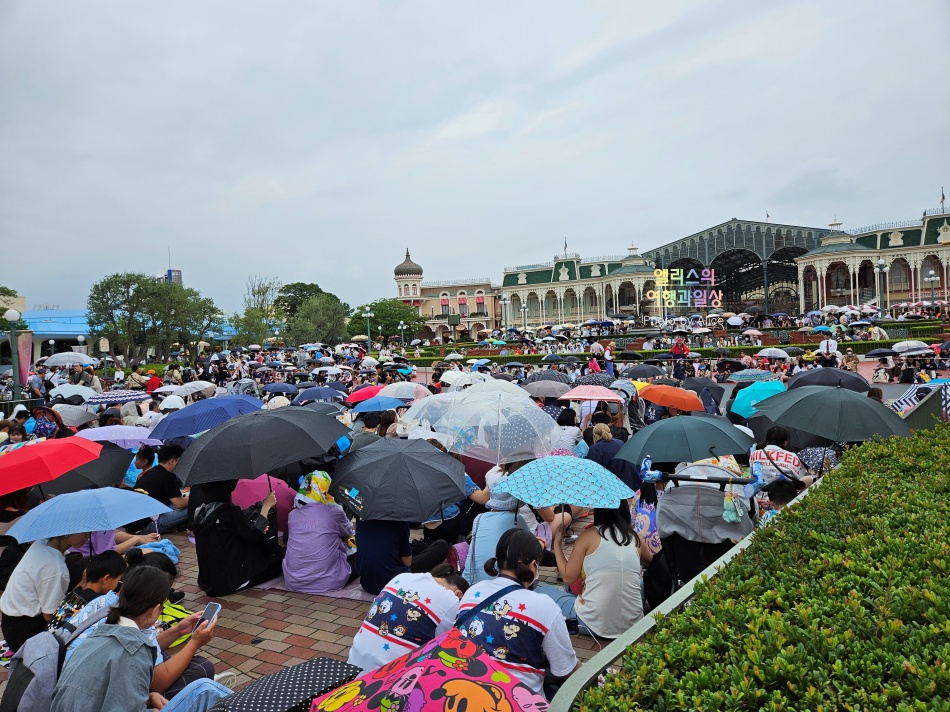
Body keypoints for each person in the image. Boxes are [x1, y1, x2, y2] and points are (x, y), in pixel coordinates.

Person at [50, 566, 230, 712]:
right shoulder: (136, 649)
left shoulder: (100, 628)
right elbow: (154, 683)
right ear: (153, 610)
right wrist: (195, 642)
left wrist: (148, 700)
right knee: (205, 689)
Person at [456, 528, 578, 697]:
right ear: (533, 564)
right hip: (516, 701)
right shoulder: (545, 606)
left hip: (465, 690)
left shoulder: (472, 591)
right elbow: (564, 670)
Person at [537, 502, 648, 639]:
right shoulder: (635, 538)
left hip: (593, 623)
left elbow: (567, 577)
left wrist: (557, 544)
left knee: (539, 591)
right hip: (633, 623)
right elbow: (652, 561)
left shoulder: (587, 536)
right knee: (640, 582)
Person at [347, 563, 468, 673]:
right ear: (459, 594)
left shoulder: (402, 577)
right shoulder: (451, 601)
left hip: (353, 667)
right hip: (388, 681)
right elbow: (445, 644)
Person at [0, 531, 90, 652]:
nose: (87, 537)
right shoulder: (55, 567)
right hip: (25, 633)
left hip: (10, 620)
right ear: (67, 533)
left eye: (90, 533)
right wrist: (82, 586)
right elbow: (50, 616)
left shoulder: (42, 543)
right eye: (83, 533)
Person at [192, 479, 284, 597]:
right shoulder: (227, 512)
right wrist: (266, 506)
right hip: (232, 580)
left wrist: (257, 529)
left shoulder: (201, 512)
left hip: (208, 582)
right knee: (283, 558)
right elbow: (254, 536)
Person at [283, 472, 355, 594]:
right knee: (355, 554)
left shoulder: (292, 515)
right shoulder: (334, 513)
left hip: (293, 581)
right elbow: (348, 531)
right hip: (329, 581)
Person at [355, 518, 449, 596]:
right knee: (442, 545)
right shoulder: (400, 524)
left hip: (367, 583)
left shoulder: (361, 524)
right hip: (394, 582)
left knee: (412, 547)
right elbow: (408, 562)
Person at [134, 443, 189, 533]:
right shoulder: (168, 476)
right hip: (147, 525)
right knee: (194, 506)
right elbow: (179, 504)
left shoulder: (150, 472)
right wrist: (195, 498)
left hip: (135, 523)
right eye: (179, 461)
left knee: (173, 505)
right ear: (172, 461)